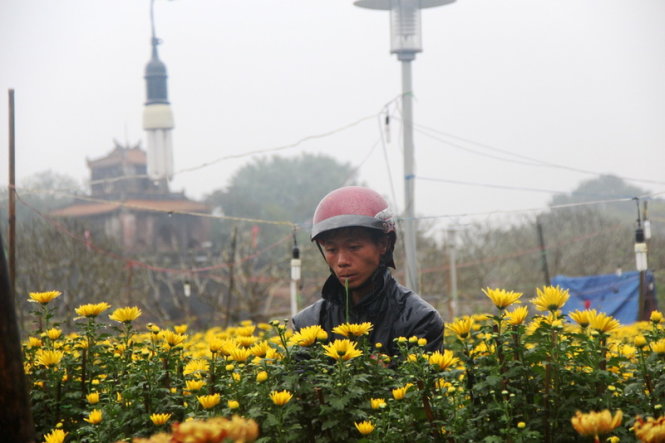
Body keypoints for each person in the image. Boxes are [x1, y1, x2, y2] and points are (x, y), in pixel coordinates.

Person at [291, 186, 444, 355]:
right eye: (332, 250)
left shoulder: (419, 320)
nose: (342, 261)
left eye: (354, 247)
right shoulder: (308, 324)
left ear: (383, 244)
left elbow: (420, 379)